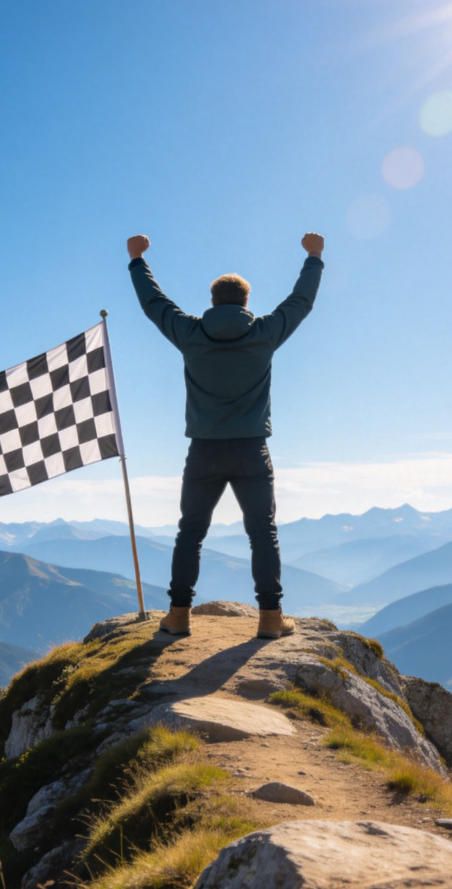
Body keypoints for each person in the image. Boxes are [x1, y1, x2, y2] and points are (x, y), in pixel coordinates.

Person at [127, 232, 324, 639]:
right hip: (253, 450)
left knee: (190, 532)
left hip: (203, 451)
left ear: (213, 301)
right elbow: (301, 302)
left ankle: (179, 614)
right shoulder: (265, 333)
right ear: (245, 302)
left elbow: (154, 303)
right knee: (262, 532)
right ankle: (270, 618)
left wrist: (137, 260)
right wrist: (314, 257)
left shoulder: (190, 333)